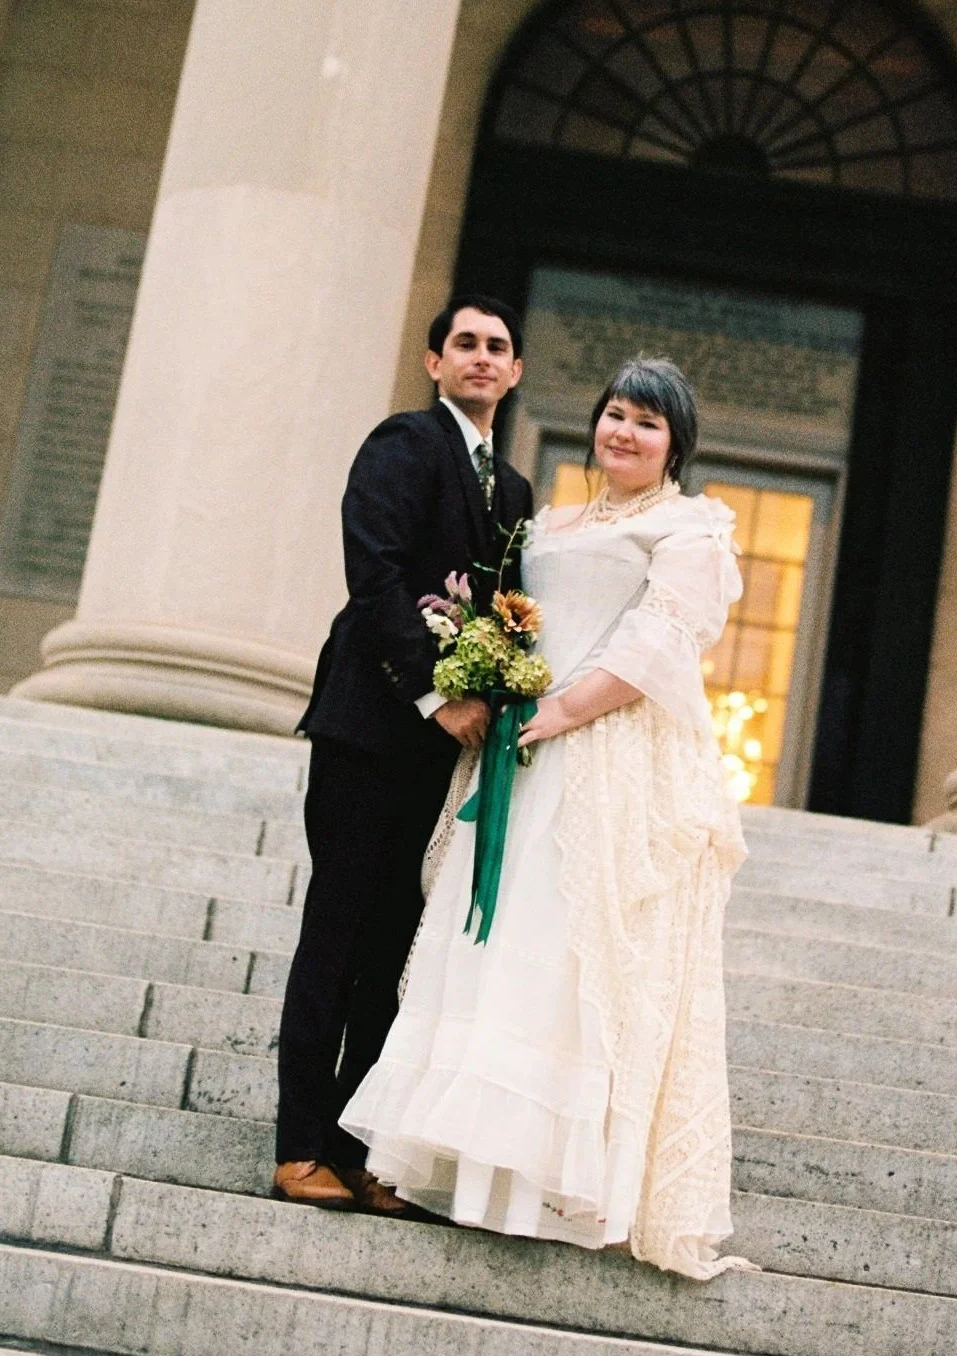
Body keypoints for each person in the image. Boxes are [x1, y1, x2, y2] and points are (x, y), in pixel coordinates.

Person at [340, 358, 751, 1277]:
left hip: (600, 755)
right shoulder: (551, 519)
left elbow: (656, 644)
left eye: (647, 422)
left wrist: (550, 719)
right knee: (489, 942)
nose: (623, 433)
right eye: (614, 414)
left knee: (561, 945)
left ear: (675, 441)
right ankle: (456, 1157)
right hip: (516, 749)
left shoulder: (691, 527)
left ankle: (545, 1178)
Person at [273, 296, 534, 1211]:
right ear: (434, 362)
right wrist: (433, 691)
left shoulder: (515, 493)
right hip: (370, 729)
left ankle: (357, 1147)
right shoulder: (403, 444)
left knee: (395, 953)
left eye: (496, 348)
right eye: (464, 343)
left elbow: (509, 609)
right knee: (336, 939)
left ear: (515, 373)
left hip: (443, 756)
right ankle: (299, 1142)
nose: (480, 358)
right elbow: (373, 570)